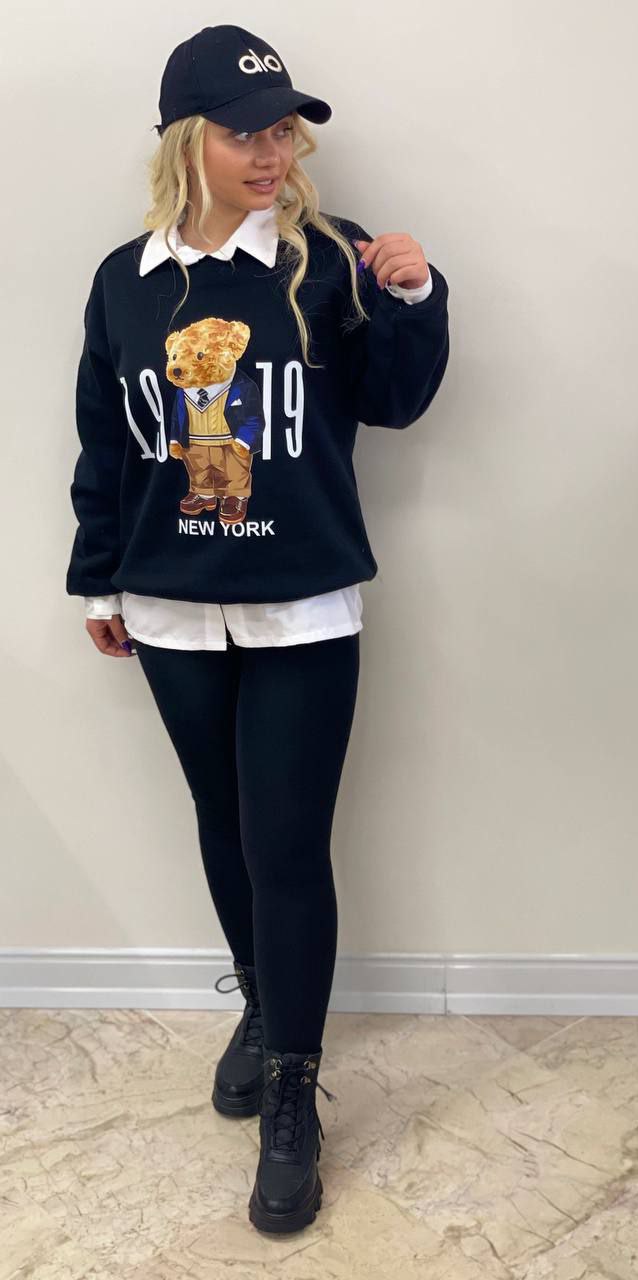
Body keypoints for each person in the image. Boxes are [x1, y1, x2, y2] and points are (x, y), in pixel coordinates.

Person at [65, 22, 450, 1235]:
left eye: (282, 129)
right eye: (245, 132)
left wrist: (410, 298)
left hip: (301, 602)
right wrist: (98, 581)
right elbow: (105, 442)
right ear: (187, 140)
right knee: (222, 823)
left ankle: (292, 1088)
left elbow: (394, 401)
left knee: (286, 842)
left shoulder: (324, 257)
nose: (271, 152)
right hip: (168, 600)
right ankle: (264, 1004)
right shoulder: (124, 281)